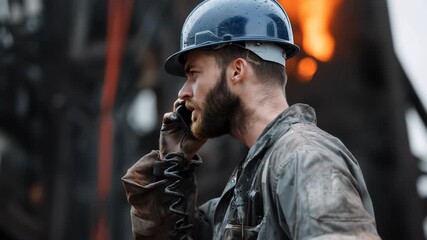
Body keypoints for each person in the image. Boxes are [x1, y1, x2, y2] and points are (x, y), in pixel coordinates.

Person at [121, 0, 381, 239]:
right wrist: (172, 165)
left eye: (194, 74)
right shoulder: (245, 187)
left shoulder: (304, 157)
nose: (183, 92)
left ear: (236, 71)